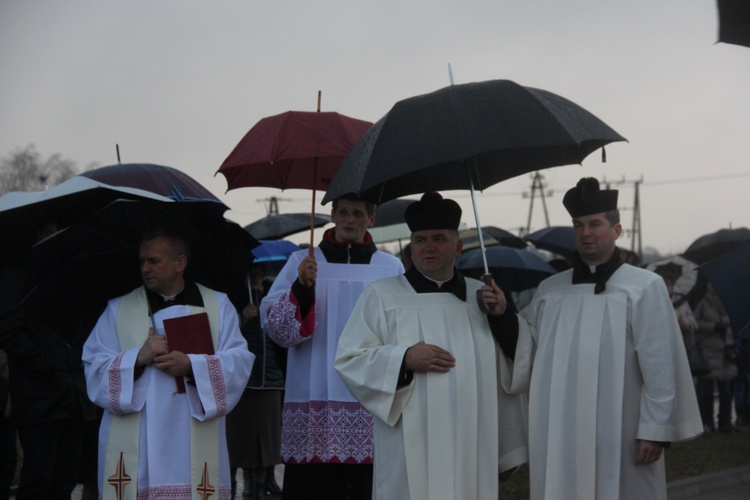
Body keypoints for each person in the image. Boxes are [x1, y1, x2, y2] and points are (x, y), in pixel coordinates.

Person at [496, 178, 703, 500]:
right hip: (562, 427)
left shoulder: (644, 286)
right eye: (578, 225)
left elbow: (660, 362)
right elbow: (528, 350)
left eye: (595, 224)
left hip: (622, 429)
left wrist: (655, 431)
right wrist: (501, 314)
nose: (585, 233)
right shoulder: (552, 290)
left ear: (617, 230)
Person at [334, 192, 528, 500]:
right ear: (411, 247)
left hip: (471, 435)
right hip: (408, 438)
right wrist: (404, 358)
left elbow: (517, 359)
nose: (429, 247)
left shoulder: (483, 297)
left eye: (439, 238)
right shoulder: (382, 296)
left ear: (458, 247)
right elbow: (350, 359)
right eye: (421, 240)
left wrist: (503, 316)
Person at [82, 228, 254, 499]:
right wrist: (137, 358)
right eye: (142, 261)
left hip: (191, 431)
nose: (145, 268)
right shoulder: (118, 310)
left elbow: (240, 362)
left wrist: (193, 365)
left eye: (154, 261)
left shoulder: (217, 306)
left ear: (180, 263)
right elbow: (93, 367)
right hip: (140, 437)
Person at [260, 194, 404, 499]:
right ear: (333, 216)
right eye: (344, 212)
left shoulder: (390, 267)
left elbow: (403, 325)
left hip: (371, 386)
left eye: (358, 213)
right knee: (314, 484)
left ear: (371, 220)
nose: (350, 220)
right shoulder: (303, 263)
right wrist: (302, 289)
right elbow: (277, 328)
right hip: (315, 388)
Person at [0, 222, 98, 500]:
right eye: (49, 232)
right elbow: (7, 330)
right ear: (38, 234)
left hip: (74, 392)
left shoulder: (75, 275)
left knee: (65, 479)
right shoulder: (15, 275)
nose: (56, 239)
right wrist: (45, 363)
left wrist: (77, 358)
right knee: (39, 478)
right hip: (37, 394)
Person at [226, 263, 285, 500]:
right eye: (252, 274)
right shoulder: (233, 299)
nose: (257, 278)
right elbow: (224, 335)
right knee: (237, 439)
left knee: (267, 440)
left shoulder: (273, 297)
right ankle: (230, 487)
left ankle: (260, 486)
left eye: (260, 274)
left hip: (271, 379)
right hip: (243, 382)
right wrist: (242, 316)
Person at [693, 282, 738, 434]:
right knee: (706, 392)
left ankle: (725, 423)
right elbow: (695, 322)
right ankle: (707, 423)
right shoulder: (703, 303)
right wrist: (713, 327)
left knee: (726, 391)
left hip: (726, 351)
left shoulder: (730, 301)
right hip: (708, 353)